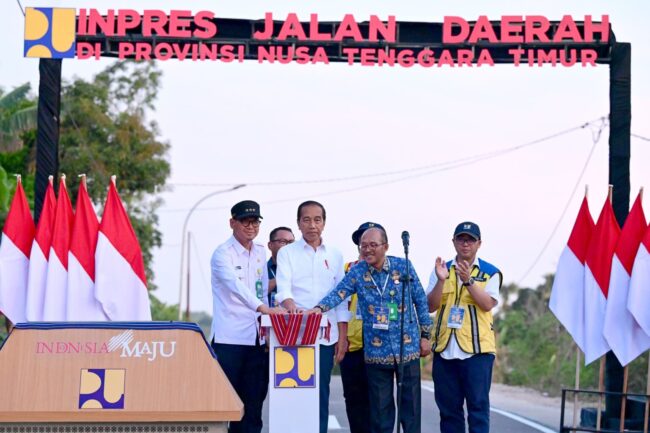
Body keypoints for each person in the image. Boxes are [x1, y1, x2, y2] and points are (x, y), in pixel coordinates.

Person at [309, 227, 432, 433]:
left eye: (373, 245)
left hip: (407, 348)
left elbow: (420, 302)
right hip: (376, 353)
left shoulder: (403, 267)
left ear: (386, 246)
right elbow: (338, 293)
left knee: (410, 413)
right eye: (363, 246)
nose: (367, 250)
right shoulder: (357, 272)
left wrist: (426, 335)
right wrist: (317, 309)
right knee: (380, 415)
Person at [210, 200, 285, 433]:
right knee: (226, 407)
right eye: (245, 221)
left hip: (258, 340)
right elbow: (237, 288)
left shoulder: (262, 252)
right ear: (233, 222)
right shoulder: (223, 254)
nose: (251, 226)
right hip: (229, 340)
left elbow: (263, 289)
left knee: (253, 406)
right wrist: (263, 308)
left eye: (255, 222)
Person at [275, 200, 349, 433]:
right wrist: (292, 307)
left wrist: (343, 337)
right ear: (298, 223)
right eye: (306, 219)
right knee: (292, 393)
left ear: (324, 223)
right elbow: (283, 288)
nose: (312, 225)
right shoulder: (287, 253)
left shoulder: (336, 255)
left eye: (317, 219)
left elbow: (341, 298)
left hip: (326, 336)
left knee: (320, 394)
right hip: (293, 335)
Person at [426, 221, 502, 433]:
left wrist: (468, 281)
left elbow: (487, 304)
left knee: (478, 410)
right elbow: (430, 306)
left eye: (470, 240)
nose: (465, 244)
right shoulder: (441, 269)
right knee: (449, 412)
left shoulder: (490, 272)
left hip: (477, 353)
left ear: (479, 243)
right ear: (454, 242)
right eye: (461, 239)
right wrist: (441, 281)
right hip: (445, 351)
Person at [339, 222, 383, 433]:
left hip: (380, 346)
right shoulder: (347, 269)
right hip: (352, 345)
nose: (367, 247)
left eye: (373, 243)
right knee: (354, 400)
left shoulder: (390, 271)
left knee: (379, 401)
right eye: (362, 242)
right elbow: (337, 303)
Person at [266, 226, 295, 306]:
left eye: (291, 242)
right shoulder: (261, 269)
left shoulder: (301, 268)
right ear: (270, 245)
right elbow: (254, 293)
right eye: (283, 242)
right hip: (268, 316)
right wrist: (281, 278)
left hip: (297, 315)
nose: (288, 246)